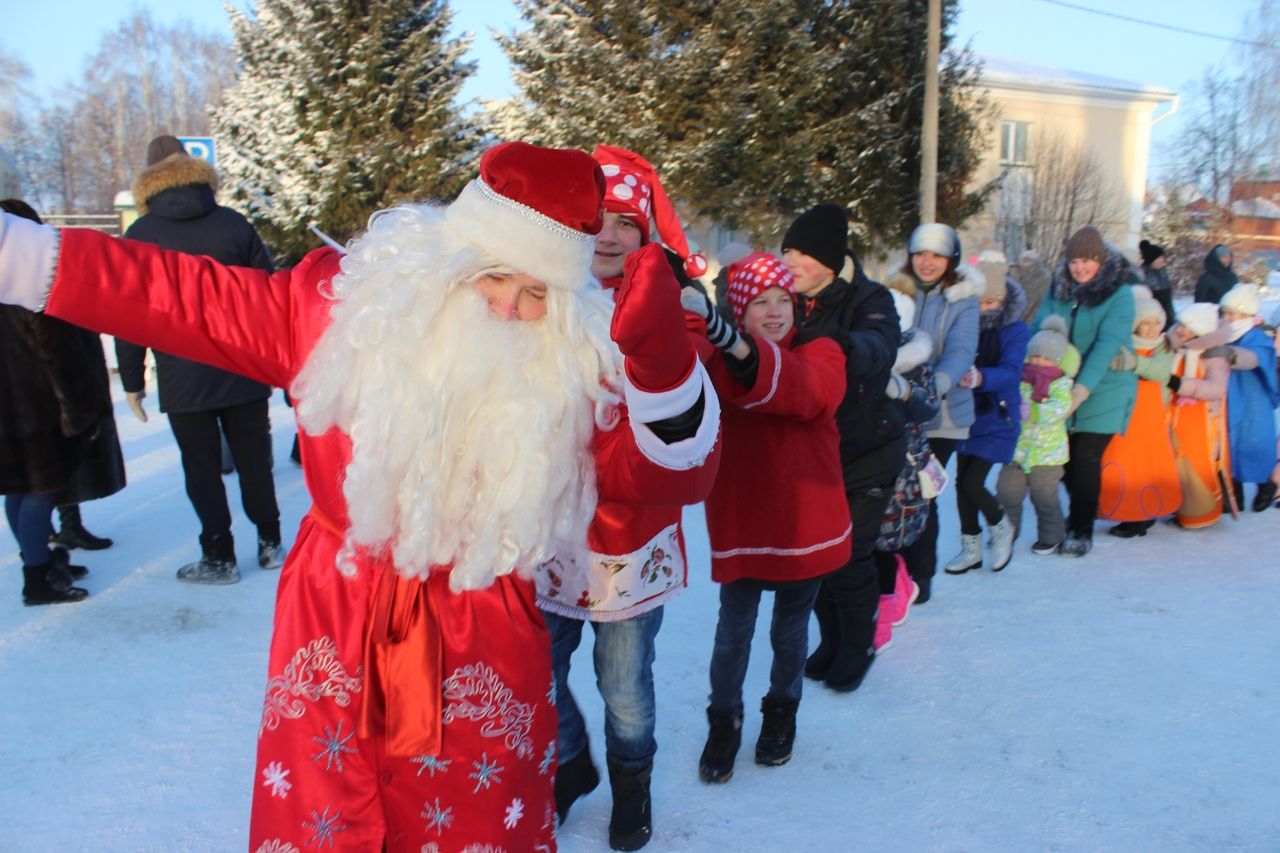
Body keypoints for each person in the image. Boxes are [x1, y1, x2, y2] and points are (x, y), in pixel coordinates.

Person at [0, 141, 720, 851]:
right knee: (326, 813)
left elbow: (658, 477)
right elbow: (189, 298)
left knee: (475, 818)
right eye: (495, 277)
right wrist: (18, 252)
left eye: (539, 294)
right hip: (337, 614)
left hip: (483, 631)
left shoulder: (571, 371)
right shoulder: (337, 313)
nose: (511, 307)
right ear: (452, 260)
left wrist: (662, 376)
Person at [539, 144, 714, 852]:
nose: (607, 235)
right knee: (535, 667)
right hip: (550, 529)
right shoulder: (543, 299)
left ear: (645, 237)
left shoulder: (676, 313)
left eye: (625, 222)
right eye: (596, 220)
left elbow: (678, 423)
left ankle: (631, 786)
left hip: (629, 538)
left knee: (625, 685)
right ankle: (571, 760)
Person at [679, 252, 849, 784]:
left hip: (806, 520)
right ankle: (724, 722)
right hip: (745, 517)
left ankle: (781, 713)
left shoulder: (822, 351)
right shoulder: (717, 360)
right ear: (738, 310)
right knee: (734, 632)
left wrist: (732, 343)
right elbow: (681, 367)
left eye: (783, 301)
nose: (774, 313)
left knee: (790, 631)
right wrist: (681, 309)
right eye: (759, 303)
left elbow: (807, 392)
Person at [117, 135, 282, 584]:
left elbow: (129, 314)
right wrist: (279, 360)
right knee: (254, 460)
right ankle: (270, 542)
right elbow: (269, 297)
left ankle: (219, 556)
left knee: (202, 468)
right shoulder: (233, 223)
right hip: (243, 364)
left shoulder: (141, 235)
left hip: (182, 374)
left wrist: (132, 380)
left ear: (149, 179)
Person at [782, 204, 902, 694]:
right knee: (818, 557)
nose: (788, 261)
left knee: (850, 557)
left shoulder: (870, 298)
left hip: (867, 449)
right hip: (814, 455)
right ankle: (830, 642)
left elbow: (878, 347)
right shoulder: (786, 298)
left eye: (800, 252)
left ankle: (858, 646)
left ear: (828, 259)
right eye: (785, 250)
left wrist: (827, 347)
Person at [0, 200, 124, 553]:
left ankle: (37, 561)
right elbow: (54, 353)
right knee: (41, 489)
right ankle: (37, 576)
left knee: (17, 488)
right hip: (39, 409)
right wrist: (78, 409)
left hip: (9, 414)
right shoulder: (30, 284)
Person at [1031, 225, 1138, 557]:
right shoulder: (1059, 289)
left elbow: (1107, 345)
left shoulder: (1119, 294)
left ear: (1101, 260)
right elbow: (1040, 328)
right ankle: (1084, 509)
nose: (1080, 268)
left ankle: (1080, 529)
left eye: (1088, 260)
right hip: (1061, 387)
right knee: (1062, 461)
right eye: (1074, 260)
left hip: (1105, 387)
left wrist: (1082, 389)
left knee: (1086, 459)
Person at [893, 223, 980, 601]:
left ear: (951, 260)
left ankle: (921, 574)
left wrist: (932, 388)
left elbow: (961, 352)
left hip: (942, 417)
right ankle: (894, 574)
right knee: (897, 493)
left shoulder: (962, 299)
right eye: (920, 253)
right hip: (897, 408)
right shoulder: (896, 290)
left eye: (936, 255)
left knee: (924, 492)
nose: (927, 262)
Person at [945, 250, 1029, 573]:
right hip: (968, 415)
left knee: (972, 483)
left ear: (1004, 300)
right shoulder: (968, 326)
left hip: (998, 416)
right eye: (980, 303)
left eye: (991, 303)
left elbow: (1011, 371)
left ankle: (1001, 526)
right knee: (960, 484)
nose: (985, 310)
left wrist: (981, 377)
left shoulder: (1016, 331)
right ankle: (971, 548)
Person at [872, 284, 939, 653]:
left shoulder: (915, 363)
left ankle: (883, 614)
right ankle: (892, 585)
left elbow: (931, 408)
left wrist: (904, 391)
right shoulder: (863, 354)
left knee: (887, 538)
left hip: (904, 468)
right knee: (873, 542)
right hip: (867, 464)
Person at [996, 316, 1079, 555]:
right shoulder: (1021, 380)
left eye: (1045, 358)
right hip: (1017, 451)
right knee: (1007, 494)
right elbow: (1007, 401)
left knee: (1044, 498)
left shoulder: (1061, 385)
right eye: (1034, 356)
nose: (1038, 362)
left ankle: (1051, 536)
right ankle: (1005, 534)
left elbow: (1059, 409)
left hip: (1047, 455)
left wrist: (1032, 409)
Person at [1100, 294, 1180, 537]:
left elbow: (1160, 372)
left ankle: (1145, 513)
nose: (1151, 329)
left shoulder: (1163, 346)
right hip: (1126, 413)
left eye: (1156, 323)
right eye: (1146, 323)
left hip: (1151, 413)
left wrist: (1133, 363)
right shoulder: (1126, 345)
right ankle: (1130, 512)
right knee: (1125, 463)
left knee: (1148, 463)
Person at [1166, 303, 1233, 528]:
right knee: (1178, 463)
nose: (1179, 330)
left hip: (1201, 421)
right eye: (1181, 324)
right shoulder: (1177, 349)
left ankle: (1202, 513)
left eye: (1186, 326)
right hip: (1176, 417)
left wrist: (1181, 384)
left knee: (1198, 466)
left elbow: (1216, 389)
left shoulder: (1214, 356)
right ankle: (1182, 507)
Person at [1216, 284, 1279, 511]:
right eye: (1226, 313)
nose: (1229, 319)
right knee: (1229, 445)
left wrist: (1235, 355)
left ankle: (1267, 484)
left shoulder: (1257, 338)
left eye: (1235, 314)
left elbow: (1257, 358)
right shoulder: (1222, 336)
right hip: (1229, 399)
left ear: (1249, 316)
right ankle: (1235, 494)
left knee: (1256, 445)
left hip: (1254, 400)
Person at [1138, 239, 1175, 331]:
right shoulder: (1142, 275)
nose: (1162, 260)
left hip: (1168, 318)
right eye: (1159, 257)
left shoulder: (1163, 272)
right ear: (1151, 260)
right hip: (1152, 321)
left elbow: (1168, 300)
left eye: (1162, 257)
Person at [1015, 249, 1052, 323]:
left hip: (1032, 323)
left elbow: (1025, 304)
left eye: (1023, 262)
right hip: (1043, 320)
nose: (1020, 265)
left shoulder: (1036, 278)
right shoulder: (1045, 274)